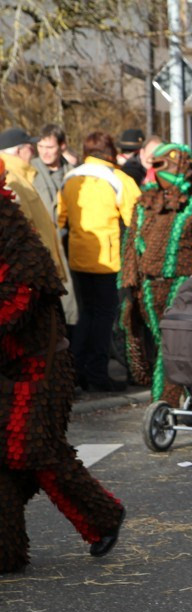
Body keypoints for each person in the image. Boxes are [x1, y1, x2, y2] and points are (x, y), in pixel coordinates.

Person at [0, 168, 125, 573]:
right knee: (4, 459)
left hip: (41, 366)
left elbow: (20, 299)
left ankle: (102, 516)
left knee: (33, 449)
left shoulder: (18, 244)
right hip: (8, 367)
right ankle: (6, 551)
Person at [119, 144, 192, 405]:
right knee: (164, 345)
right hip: (149, 290)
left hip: (183, 288)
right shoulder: (144, 206)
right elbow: (131, 247)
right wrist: (130, 285)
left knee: (172, 346)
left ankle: (166, 405)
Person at [58, 131, 141, 392]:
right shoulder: (119, 179)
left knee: (85, 315)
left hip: (77, 258)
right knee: (105, 317)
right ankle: (97, 373)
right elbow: (136, 220)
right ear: (110, 151)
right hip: (108, 259)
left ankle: (77, 371)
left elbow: (60, 218)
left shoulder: (70, 178)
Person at [1, 138, 77, 326]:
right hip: (26, 277)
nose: (35, 152)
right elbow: (18, 229)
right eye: (32, 147)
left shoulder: (21, 175)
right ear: (19, 150)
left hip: (35, 268)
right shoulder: (13, 178)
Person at [31, 124, 74, 219]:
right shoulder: (30, 171)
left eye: (49, 147)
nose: (44, 152)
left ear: (62, 146)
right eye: (40, 146)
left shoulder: (73, 174)